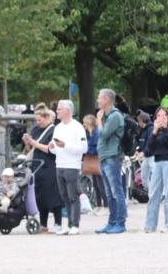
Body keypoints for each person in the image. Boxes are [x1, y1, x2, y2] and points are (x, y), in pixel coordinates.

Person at [22, 107, 62, 233]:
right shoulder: (35, 129)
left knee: (53, 195)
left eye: (40, 120)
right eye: (36, 120)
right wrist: (28, 142)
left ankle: (58, 223)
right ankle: (43, 224)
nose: (38, 122)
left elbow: (49, 149)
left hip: (50, 164)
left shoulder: (54, 130)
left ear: (46, 118)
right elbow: (32, 148)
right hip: (37, 165)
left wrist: (33, 142)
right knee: (40, 195)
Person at [50, 99, 87, 235]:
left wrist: (65, 145)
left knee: (73, 196)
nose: (57, 111)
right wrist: (52, 147)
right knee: (64, 196)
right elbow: (54, 148)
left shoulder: (77, 127)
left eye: (59, 109)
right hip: (59, 164)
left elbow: (84, 148)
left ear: (68, 111)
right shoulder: (58, 127)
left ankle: (75, 224)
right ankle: (69, 223)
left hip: (72, 165)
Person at [143, 106, 168, 233]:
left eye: (164, 115)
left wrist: (165, 129)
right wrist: (154, 132)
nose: (161, 118)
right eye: (158, 115)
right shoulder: (154, 131)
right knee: (153, 194)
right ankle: (150, 225)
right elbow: (148, 150)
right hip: (157, 162)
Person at [95, 89, 127, 234]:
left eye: (100, 98)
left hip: (113, 156)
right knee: (109, 193)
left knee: (116, 191)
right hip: (104, 156)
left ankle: (120, 223)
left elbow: (104, 133)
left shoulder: (114, 116)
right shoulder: (107, 116)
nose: (97, 100)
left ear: (107, 99)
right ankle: (112, 222)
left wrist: (98, 121)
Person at [82, 114, 106, 215]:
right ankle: (98, 205)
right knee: (96, 184)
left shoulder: (96, 133)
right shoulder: (90, 133)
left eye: (84, 122)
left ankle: (106, 206)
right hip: (93, 160)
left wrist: (86, 149)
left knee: (101, 184)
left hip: (97, 159)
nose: (83, 125)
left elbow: (96, 147)